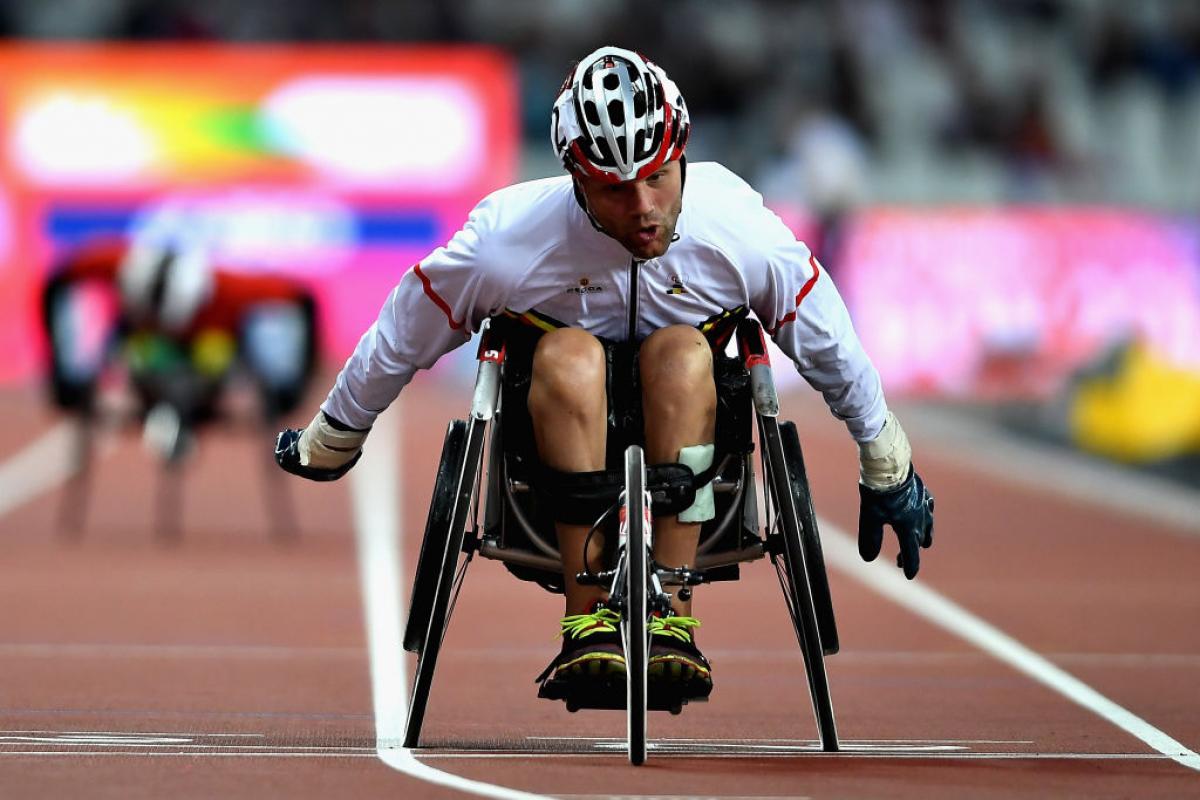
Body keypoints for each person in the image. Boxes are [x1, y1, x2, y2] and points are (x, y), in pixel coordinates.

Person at [275, 46, 935, 705]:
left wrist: (886, 459)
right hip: (551, 434)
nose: (645, 207)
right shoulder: (508, 240)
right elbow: (404, 331)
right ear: (577, 181)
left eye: (658, 178)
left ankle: (670, 609)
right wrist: (337, 431)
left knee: (680, 352)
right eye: (616, 190)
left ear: (682, 155)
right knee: (570, 355)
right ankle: (587, 618)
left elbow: (828, 341)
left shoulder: (739, 230)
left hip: (698, 422)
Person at [43, 235, 318, 460]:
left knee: (217, 356)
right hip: (144, 357)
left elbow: (303, 299)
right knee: (128, 356)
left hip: (210, 363)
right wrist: (62, 369)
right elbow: (56, 281)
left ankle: (182, 415)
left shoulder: (228, 287)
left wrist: (293, 382)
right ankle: (164, 411)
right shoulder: (114, 263)